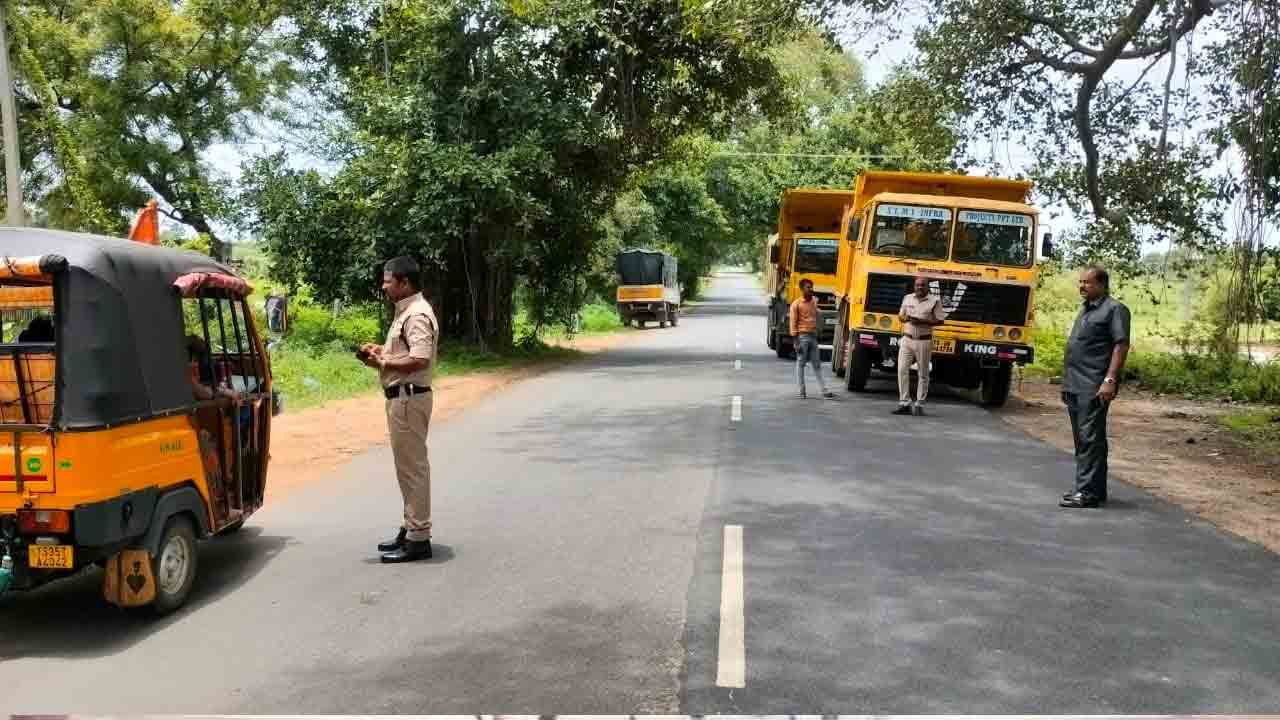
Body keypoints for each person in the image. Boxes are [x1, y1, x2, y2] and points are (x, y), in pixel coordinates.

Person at [360, 255, 439, 563]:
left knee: (413, 469)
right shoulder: (406, 311)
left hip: (408, 399)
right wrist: (383, 353)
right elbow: (406, 352)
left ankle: (418, 538)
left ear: (405, 282)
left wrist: (383, 361)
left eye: (388, 281)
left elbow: (419, 358)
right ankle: (411, 529)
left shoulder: (416, 313)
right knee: (407, 469)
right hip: (403, 398)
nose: (384, 286)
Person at [1060, 265, 1130, 509]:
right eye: (1080, 282)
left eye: (1087, 283)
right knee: (1084, 439)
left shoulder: (1115, 310)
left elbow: (1120, 346)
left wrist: (1110, 380)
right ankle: (1092, 489)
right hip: (1075, 383)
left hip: (1094, 384)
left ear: (1101, 284)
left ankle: (1087, 492)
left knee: (1090, 438)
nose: (1082, 286)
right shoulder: (1086, 310)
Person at [895, 275, 945, 416]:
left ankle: (919, 404)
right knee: (902, 370)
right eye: (917, 285)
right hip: (907, 339)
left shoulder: (935, 301)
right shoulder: (907, 298)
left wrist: (923, 322)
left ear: (927, 287)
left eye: (923, 285)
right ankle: (904, 403)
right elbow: (901, 316)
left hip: (924, 341)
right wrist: (905, 318)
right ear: (914, 286)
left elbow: (940, 321)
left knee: (923, 373)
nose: (919, 287)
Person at [789, 277, 834, 400]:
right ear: (802, 289)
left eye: (811, 287)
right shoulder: (796, 304)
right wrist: (795, 342)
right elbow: (793, 324)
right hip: (802, 337)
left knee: (817, 364)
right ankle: (801, 391)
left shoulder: (814, 301)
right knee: (801, 364)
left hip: (813, 337)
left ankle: (824, 390)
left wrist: (820, 327)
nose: (811, 290)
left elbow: (818, 313)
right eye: (808, 288)